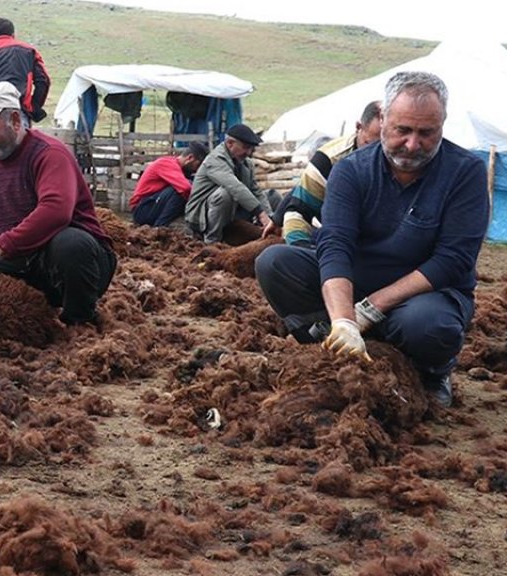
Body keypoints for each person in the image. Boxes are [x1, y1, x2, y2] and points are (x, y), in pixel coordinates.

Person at [254, 71, 488, 407]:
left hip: (424, 293)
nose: (412, 144)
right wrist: (344, 320)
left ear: (442, 126)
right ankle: (328, 342)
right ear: (384, 119)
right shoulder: (351, 171)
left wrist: (370, 309)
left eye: (426, 133)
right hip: (358, 280)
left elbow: (453, 259)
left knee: (429, 325)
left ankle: (433, 372)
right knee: (275, 263)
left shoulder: (465, 173)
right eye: (402, 130)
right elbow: (335, 244)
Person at [0, 82, 116, 325]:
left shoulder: (50, 155)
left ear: (16, 121)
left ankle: (79, 320)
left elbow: (55, 212)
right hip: (19, 263)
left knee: (71, 244)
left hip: (66, 265)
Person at [280, 101, 382, 246]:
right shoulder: (328, 159)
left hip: (390, 247)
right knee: (273, 259)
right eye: (369, 145)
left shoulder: (407, 158)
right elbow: (298, 211)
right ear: (359, 127)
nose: (377, 154)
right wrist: (300, 247)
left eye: (383, 146)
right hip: (340, 244)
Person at [183, 124, 279, 243]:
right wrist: (260, 213)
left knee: (272, 195)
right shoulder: (215, 160)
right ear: (230, 143)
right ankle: (212, 241)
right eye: (245, 147)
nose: (248, 152)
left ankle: (274, 231)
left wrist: (269, 217)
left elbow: (255, 191)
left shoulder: (246, 163)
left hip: (232, 212)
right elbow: (235, 187)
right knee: (225, 194)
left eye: (251, 148)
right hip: (203, 217)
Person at [129, 141, 209, 227]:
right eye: (198, 165)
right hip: (142, 209)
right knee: (179, 191)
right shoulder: (166, 164)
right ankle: (159, 228)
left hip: (153, 204)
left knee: (190, 184)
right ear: (190, 158)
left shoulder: (182, 170)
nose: (197, 170)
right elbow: (186, 188)